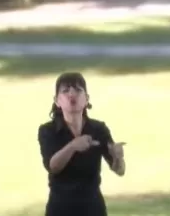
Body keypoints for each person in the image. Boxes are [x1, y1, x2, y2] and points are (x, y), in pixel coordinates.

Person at [37, 72, 126, 216]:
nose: (72, 94)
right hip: (60, 208)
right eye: (65, 90)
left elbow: (119, 170)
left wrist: (118, 157)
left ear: (86, 99)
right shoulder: (48, 131)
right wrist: (73, 146)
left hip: (93, 208)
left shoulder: (98, 129)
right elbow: (52, 167)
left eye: (78, 90)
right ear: (57, 101)